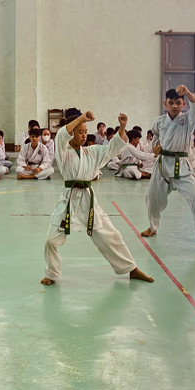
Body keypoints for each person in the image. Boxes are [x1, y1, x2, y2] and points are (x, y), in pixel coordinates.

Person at [41, 111, 153, 285]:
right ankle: (52, 273)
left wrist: (122, 127)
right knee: (51, 239)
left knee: (110, 235)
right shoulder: (63, 150)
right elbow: (62, 135)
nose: (84, 135)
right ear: (71, 133)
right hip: (69, 200)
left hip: (88, 199)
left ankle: (131, 268)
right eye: (80, 132)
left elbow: (112, 148)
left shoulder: (91, 152)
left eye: (86, 132)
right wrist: (80, 118)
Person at [140, 87, 195, 255]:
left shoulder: (188, 119)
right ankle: (153, 227)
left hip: (182, 167)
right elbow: (155, 136)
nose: (174, 106)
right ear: (165, 103)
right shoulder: (159, 121)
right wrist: (155, 146)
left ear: (183, 104)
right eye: (171, 102)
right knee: (151, 198)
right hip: (162, 166)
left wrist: (187, 92)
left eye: (178, 103)